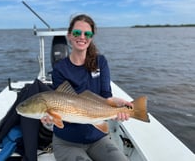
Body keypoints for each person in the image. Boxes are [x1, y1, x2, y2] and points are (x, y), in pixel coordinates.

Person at [42, 14, 132, 161]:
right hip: (67, 142)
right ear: (69, 36)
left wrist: (118, 106)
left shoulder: (100, 62)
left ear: (91, 37)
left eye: (87, 33)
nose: (82, 37)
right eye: (77, 33)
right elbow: (65, 109)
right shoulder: (60, 68)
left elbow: (105, 96)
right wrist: (52, 117)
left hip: (98, 138)